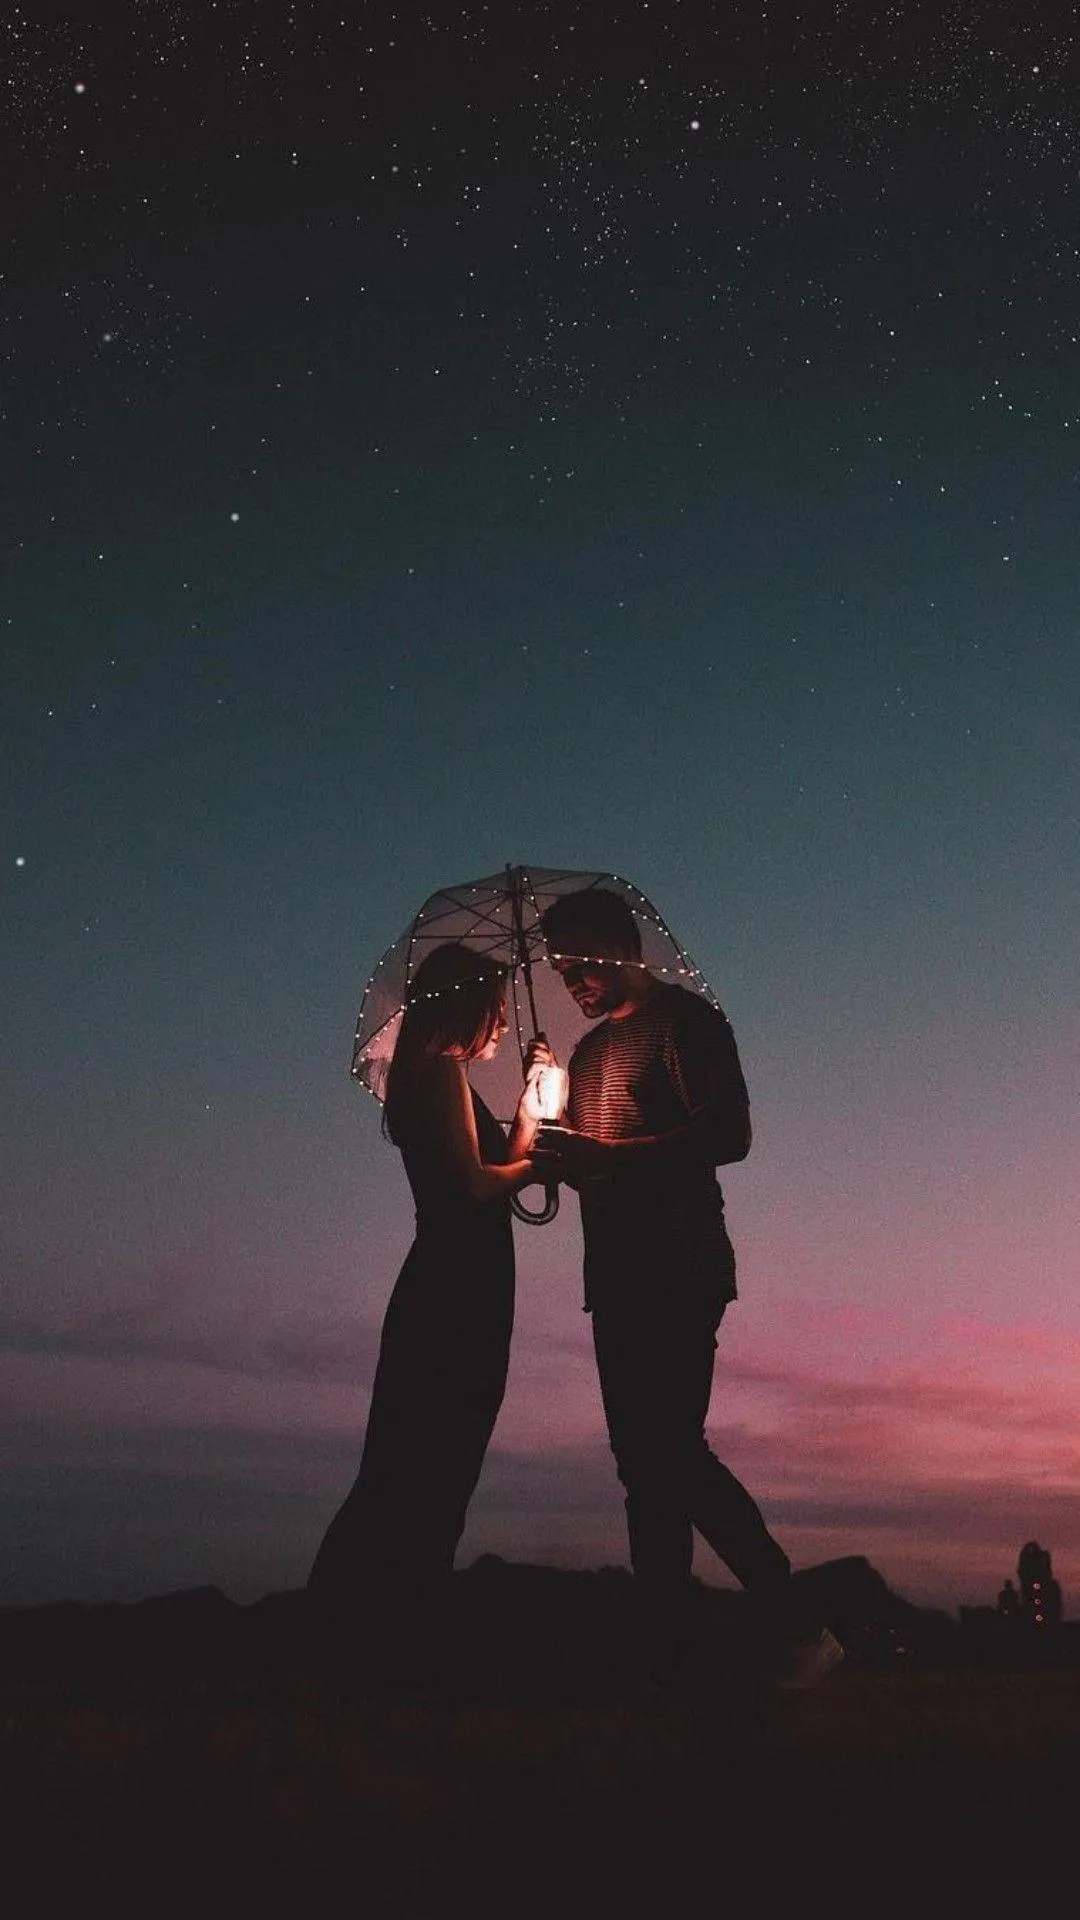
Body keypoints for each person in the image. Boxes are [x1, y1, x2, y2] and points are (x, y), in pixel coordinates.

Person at [532, 887, 843, 1688]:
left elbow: (729, 1134)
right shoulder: (589, 1054)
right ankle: (664, 1646)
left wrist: (613, 1161)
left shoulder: (689, 1024)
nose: (571, 984)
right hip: (614, 1274)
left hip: (678, 1264)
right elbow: (598, 1161)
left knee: (671, 1451)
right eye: (560, 971)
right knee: (642, 1465)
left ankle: (796, 1620)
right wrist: (551, 1144)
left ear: (623, 946)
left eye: (580, 964)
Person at [308, 941, 546, 1660]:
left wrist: (532, 1109)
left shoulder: (436, 1076)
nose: (501, 1025)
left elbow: (485, 1168)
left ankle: (378, 1624)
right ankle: (377, 1629)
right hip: (455, 1284)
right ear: (465, 1005)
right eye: (495, 1008)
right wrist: (538, 1158)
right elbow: (476, 1187)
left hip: (461, 1277)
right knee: (427, 1457)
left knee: (425, 1454)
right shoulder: (438, 1071)